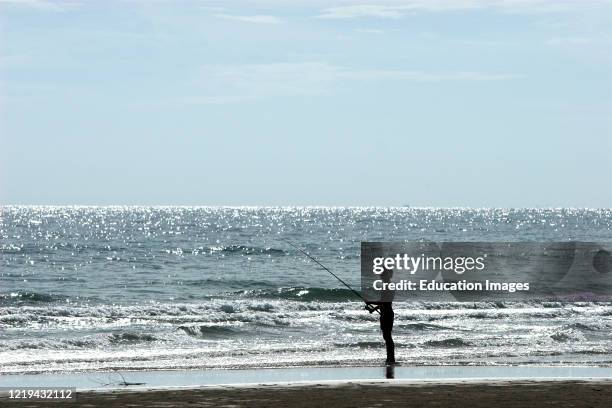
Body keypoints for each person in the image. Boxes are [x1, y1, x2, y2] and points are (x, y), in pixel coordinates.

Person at [366, 268, 395, 364]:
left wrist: (370, 302)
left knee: (387, 337)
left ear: (388, 275)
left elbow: (384, 301)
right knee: (386, 337)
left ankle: (391, 358)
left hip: (387, 314)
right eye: (381, 275)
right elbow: (383, 303)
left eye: (383, 275)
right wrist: (373, 309)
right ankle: (389, 358)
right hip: (385, 313)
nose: (381, 277)